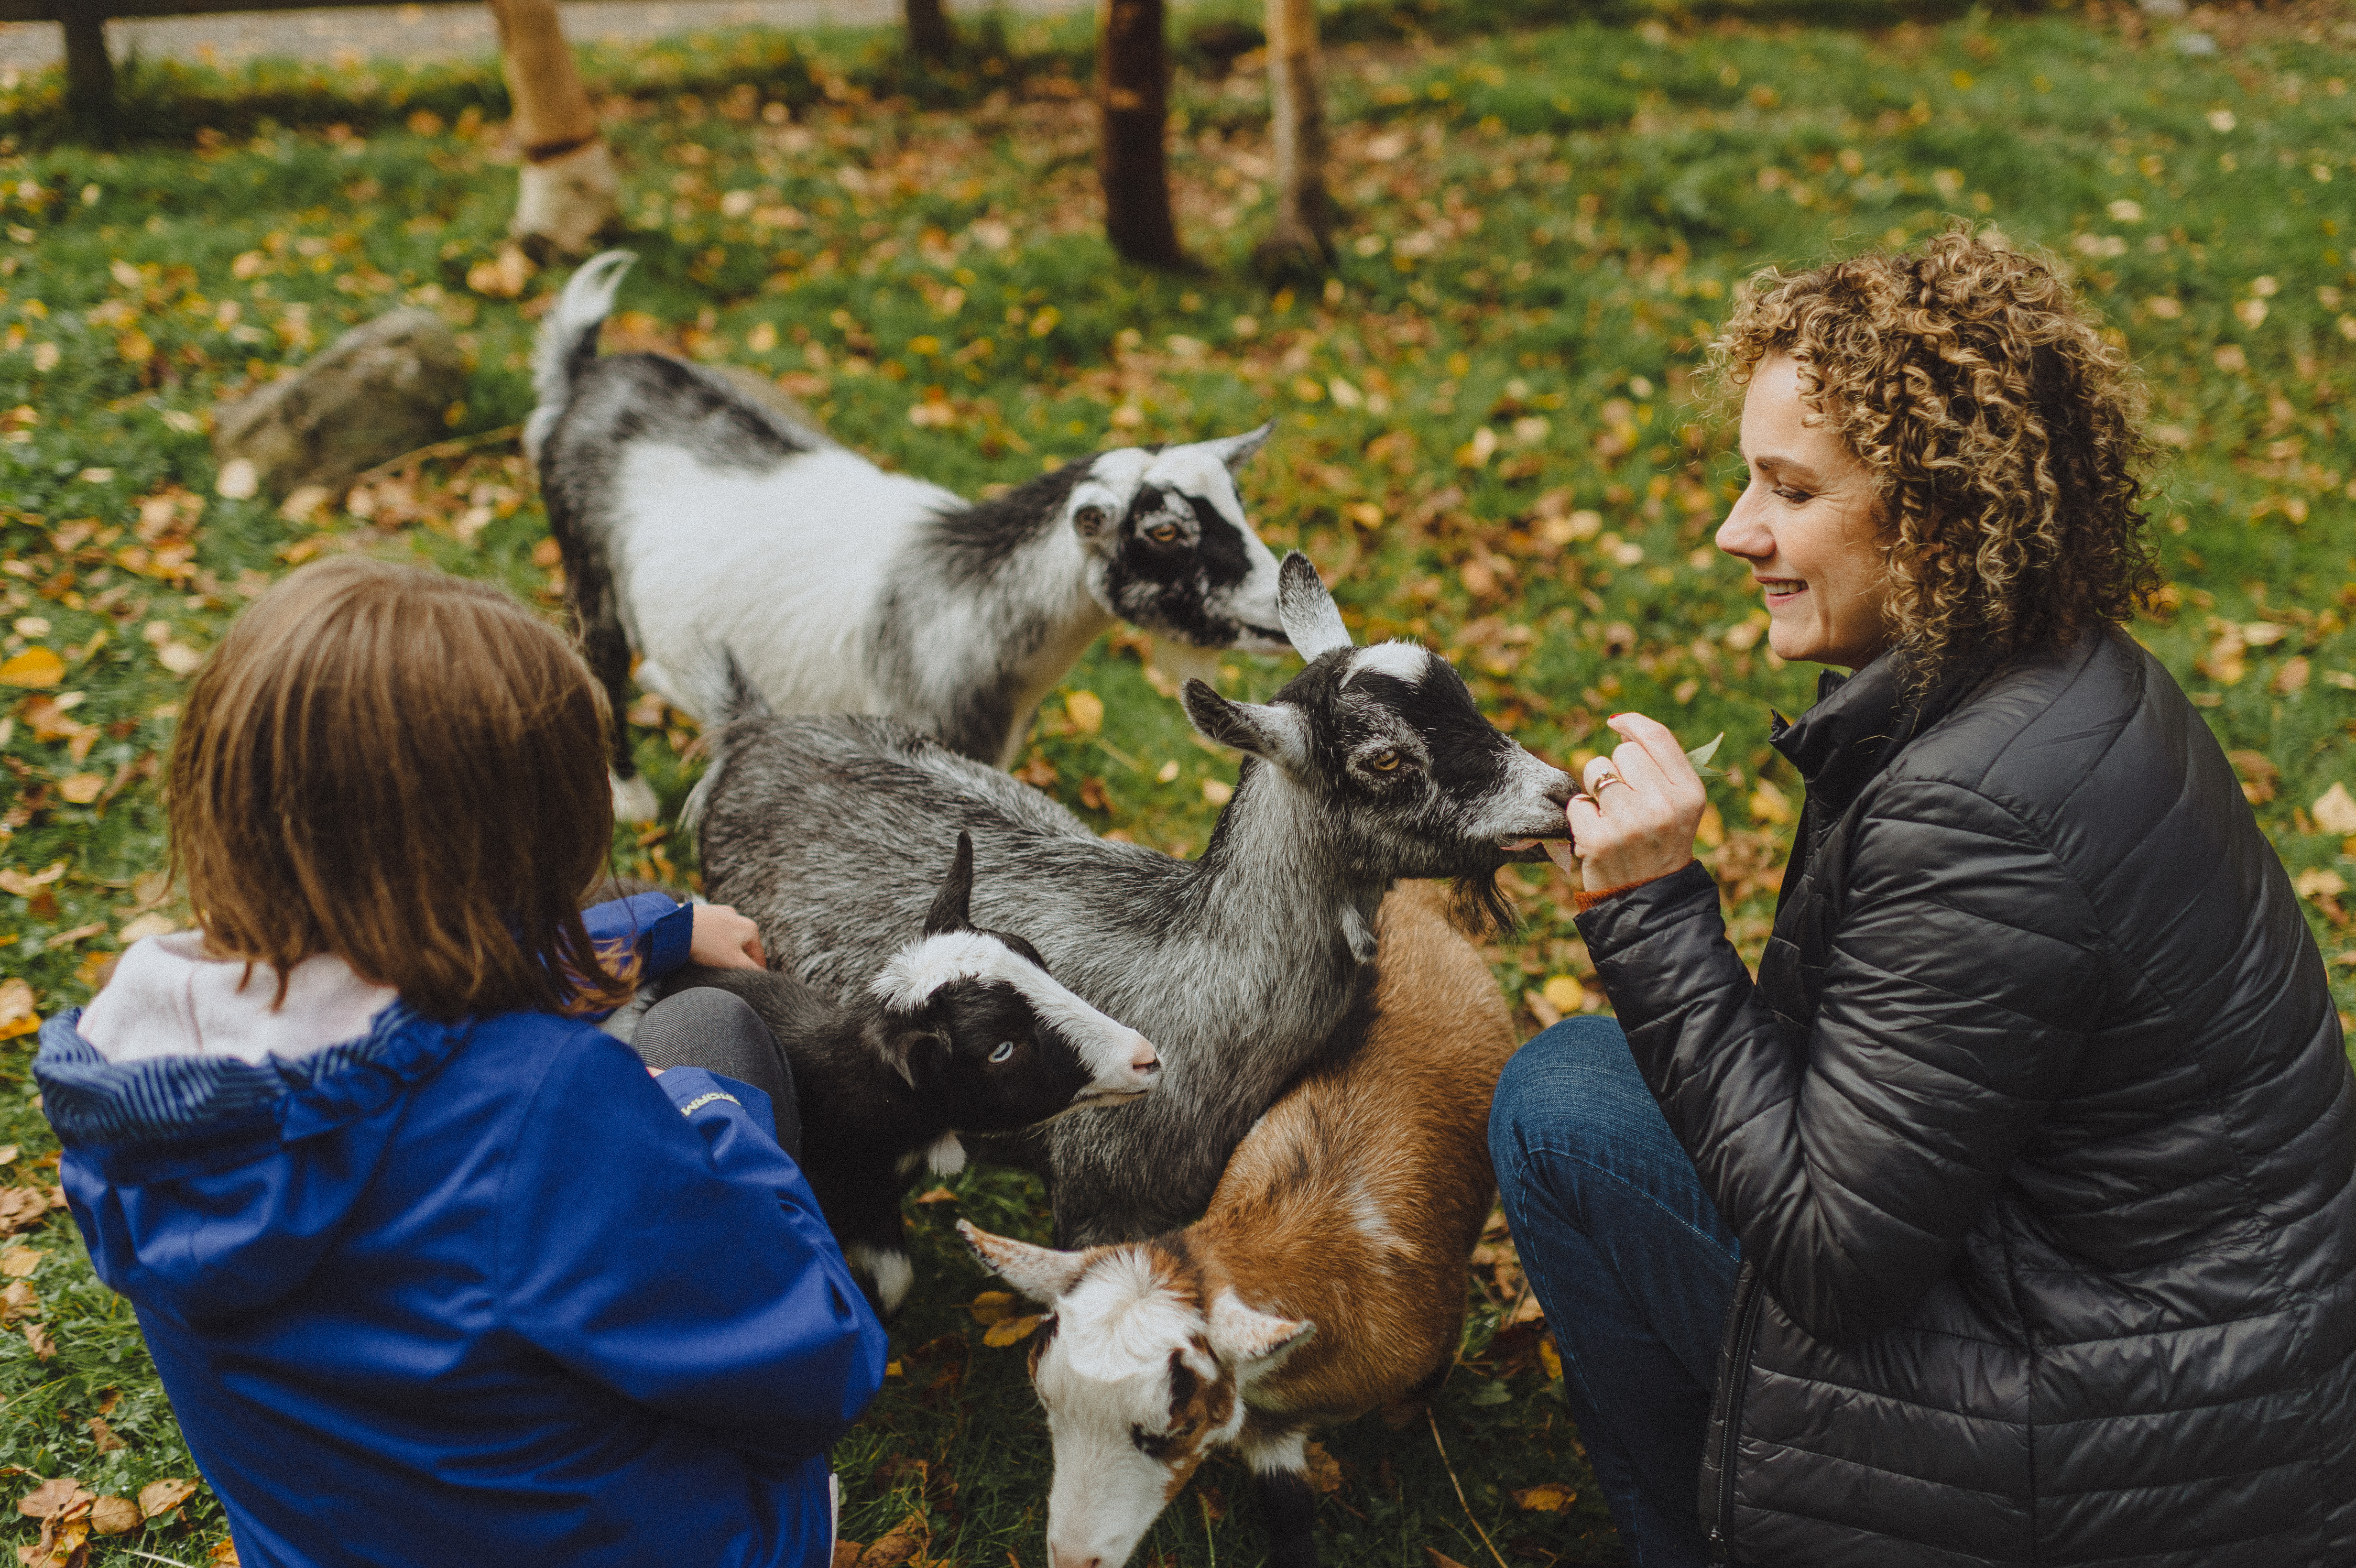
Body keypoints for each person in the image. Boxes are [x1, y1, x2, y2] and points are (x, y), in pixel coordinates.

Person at [1489, 228, 2356, 1568]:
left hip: (2117, 1430)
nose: (1738, 532)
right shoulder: (2047, 672)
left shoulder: (1983, 810)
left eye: (1789, 489)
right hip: (2199, 1338)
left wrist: (1653, 909)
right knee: (1578, 1086)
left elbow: (1837, 1260)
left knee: (1559, 1116)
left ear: (1941, 513)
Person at [33, 556, 886, 1568]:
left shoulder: (133, 1069)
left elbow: (381, 1020)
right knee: (711, 1033)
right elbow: (820, 1362)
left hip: (334, 1539)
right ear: (531, 840)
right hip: (644, 1542)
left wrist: (655, 927)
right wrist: (706, 1116)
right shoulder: (539, 1112)